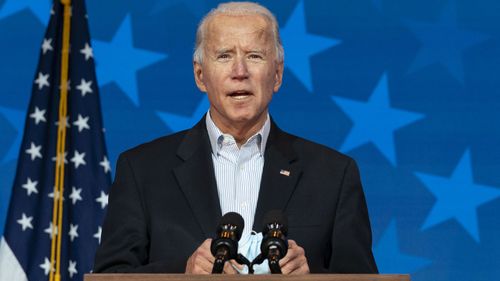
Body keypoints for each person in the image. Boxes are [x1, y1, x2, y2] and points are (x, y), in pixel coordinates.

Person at [93, 1, 378, 275]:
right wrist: (183, 271)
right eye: (224, 55)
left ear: (277, 75)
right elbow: (110, 275)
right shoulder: (141, 170)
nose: (240, 72)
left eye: (254, 56)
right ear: (200, 75)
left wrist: (311, 275)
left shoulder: (333, 175)